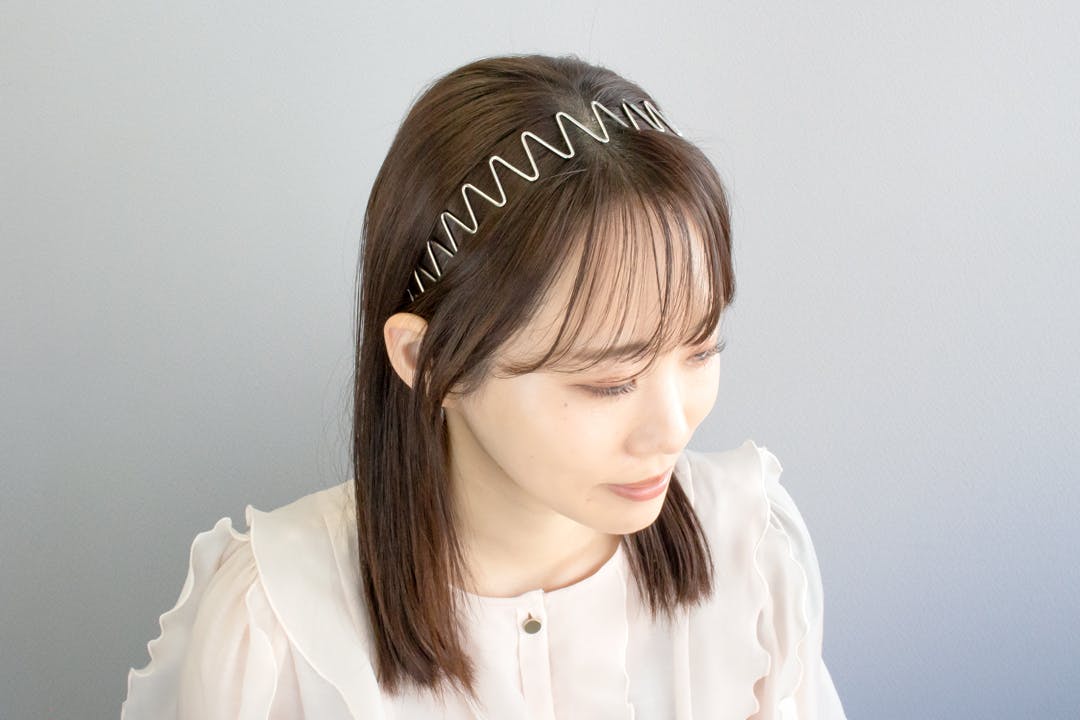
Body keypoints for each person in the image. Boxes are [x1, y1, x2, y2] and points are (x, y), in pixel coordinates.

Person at [121, 53, 847, 719]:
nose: (673, 427)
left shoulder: (752, 554)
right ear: (429, 360)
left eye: (702, 349)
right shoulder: (277, 629)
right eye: (611, 382)